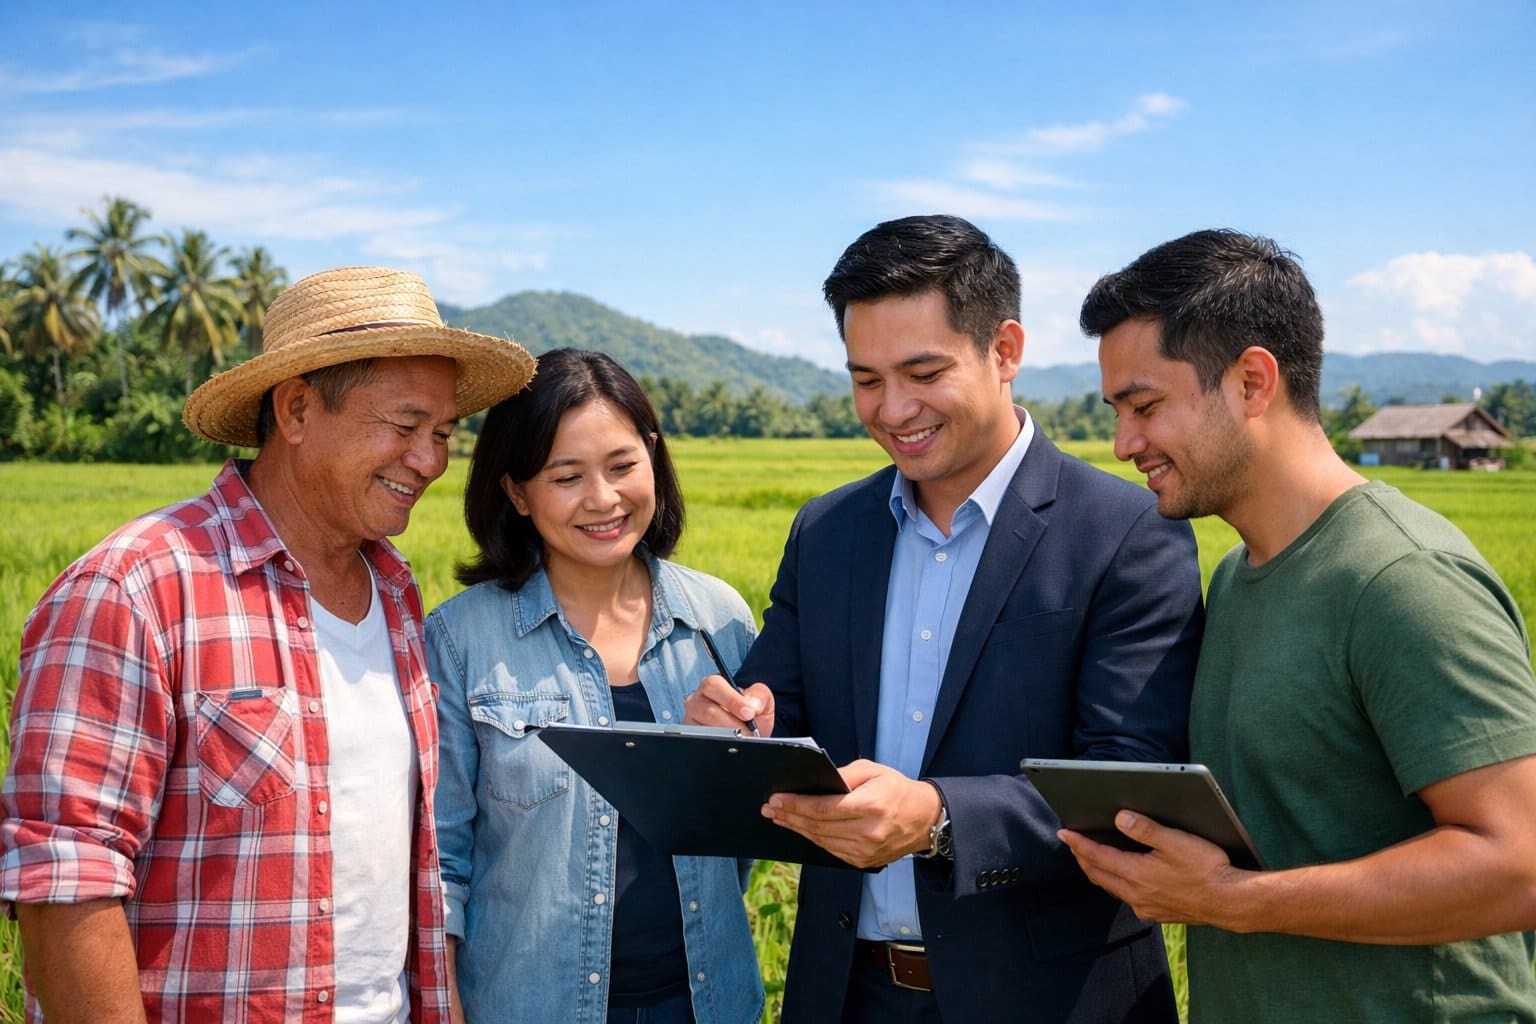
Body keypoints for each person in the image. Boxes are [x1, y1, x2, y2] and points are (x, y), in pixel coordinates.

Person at [685, 214, 1205, 1023]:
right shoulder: (827, 532)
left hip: (1048, 998)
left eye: (923, 372)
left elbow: (1128, 780)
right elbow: (779, 707)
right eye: (866, 379)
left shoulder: (1125, 532)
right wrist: (739, 726)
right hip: (847, 992)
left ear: (1004, 350)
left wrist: (937, 818)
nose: (894, 409)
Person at [0, 266, 534, 1022]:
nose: (430, 460)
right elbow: (66, 879)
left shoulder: (397, 595)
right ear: (296, 409)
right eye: (405, 426)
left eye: (443, 434)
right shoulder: (139, 587)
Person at [1066, 228, 1536, 1022]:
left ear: (1252, 382)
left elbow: (1520, 862)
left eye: (1146, 407)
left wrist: (1238, 901)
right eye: (1117, 412)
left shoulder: (1400, 579)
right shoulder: (1236, 578)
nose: (1124, 444)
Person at [427, 347, 764, 1024]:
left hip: (706, 1002)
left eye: (621, 466)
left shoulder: (719, 619)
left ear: (653, 458)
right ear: (517, 492)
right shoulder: (463, 640)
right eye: (566, 476)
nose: (603, 499)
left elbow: (754, 832)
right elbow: (441, 864)